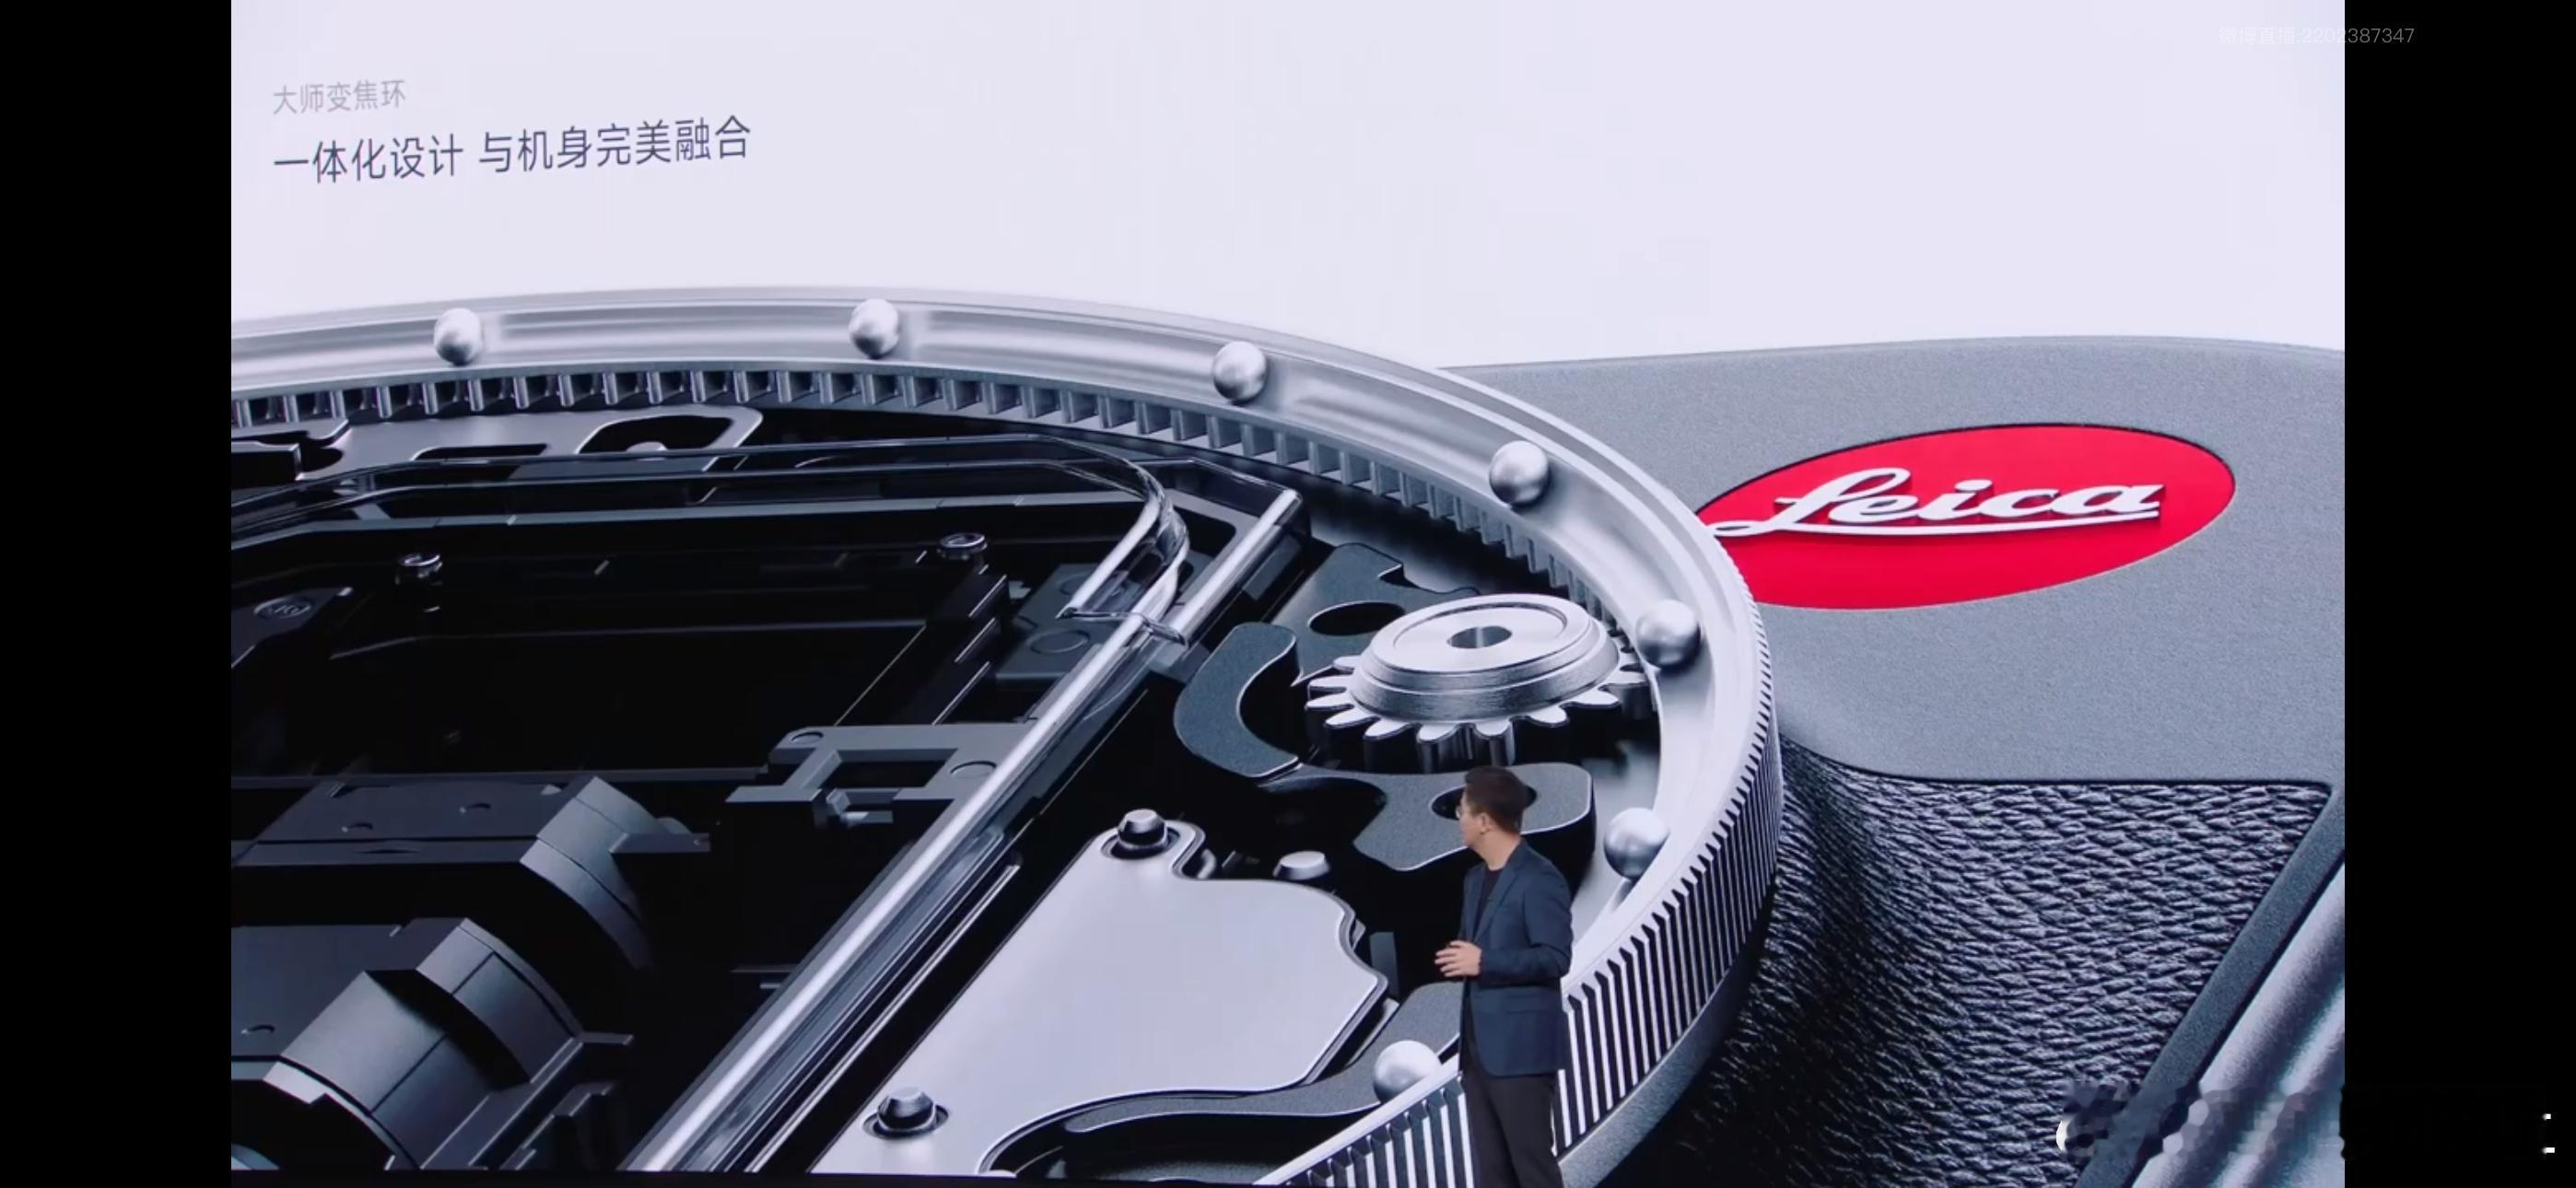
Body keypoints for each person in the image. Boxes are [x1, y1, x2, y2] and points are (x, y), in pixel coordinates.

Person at [1434, 766, 1572, 1188]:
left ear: (1484, 821)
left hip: (1522, 1052)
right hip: (1479, 1053)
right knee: (1492, 1175)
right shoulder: (1474, 879)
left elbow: (1554, 958)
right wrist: (1461, 959)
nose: (1458, 819)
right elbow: (1473, 947)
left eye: (1462, 811)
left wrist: (1485, 963)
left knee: (1532, 1168)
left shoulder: (1539, 878)